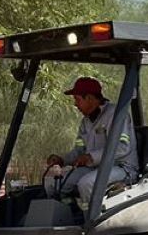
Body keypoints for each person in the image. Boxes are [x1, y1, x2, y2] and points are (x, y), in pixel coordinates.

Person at [45, 76, 134, 205]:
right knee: (53, 183)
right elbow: (79, 151)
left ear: (90, 98)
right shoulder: (86, 122)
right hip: (95, 168)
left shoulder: (117, 115)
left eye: (77, 99)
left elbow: (121, 148)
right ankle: (58, 218)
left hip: (121, 168)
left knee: (86, 184)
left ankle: (90, 222)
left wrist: (90, 157)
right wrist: (62, 160)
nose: (75, 104)